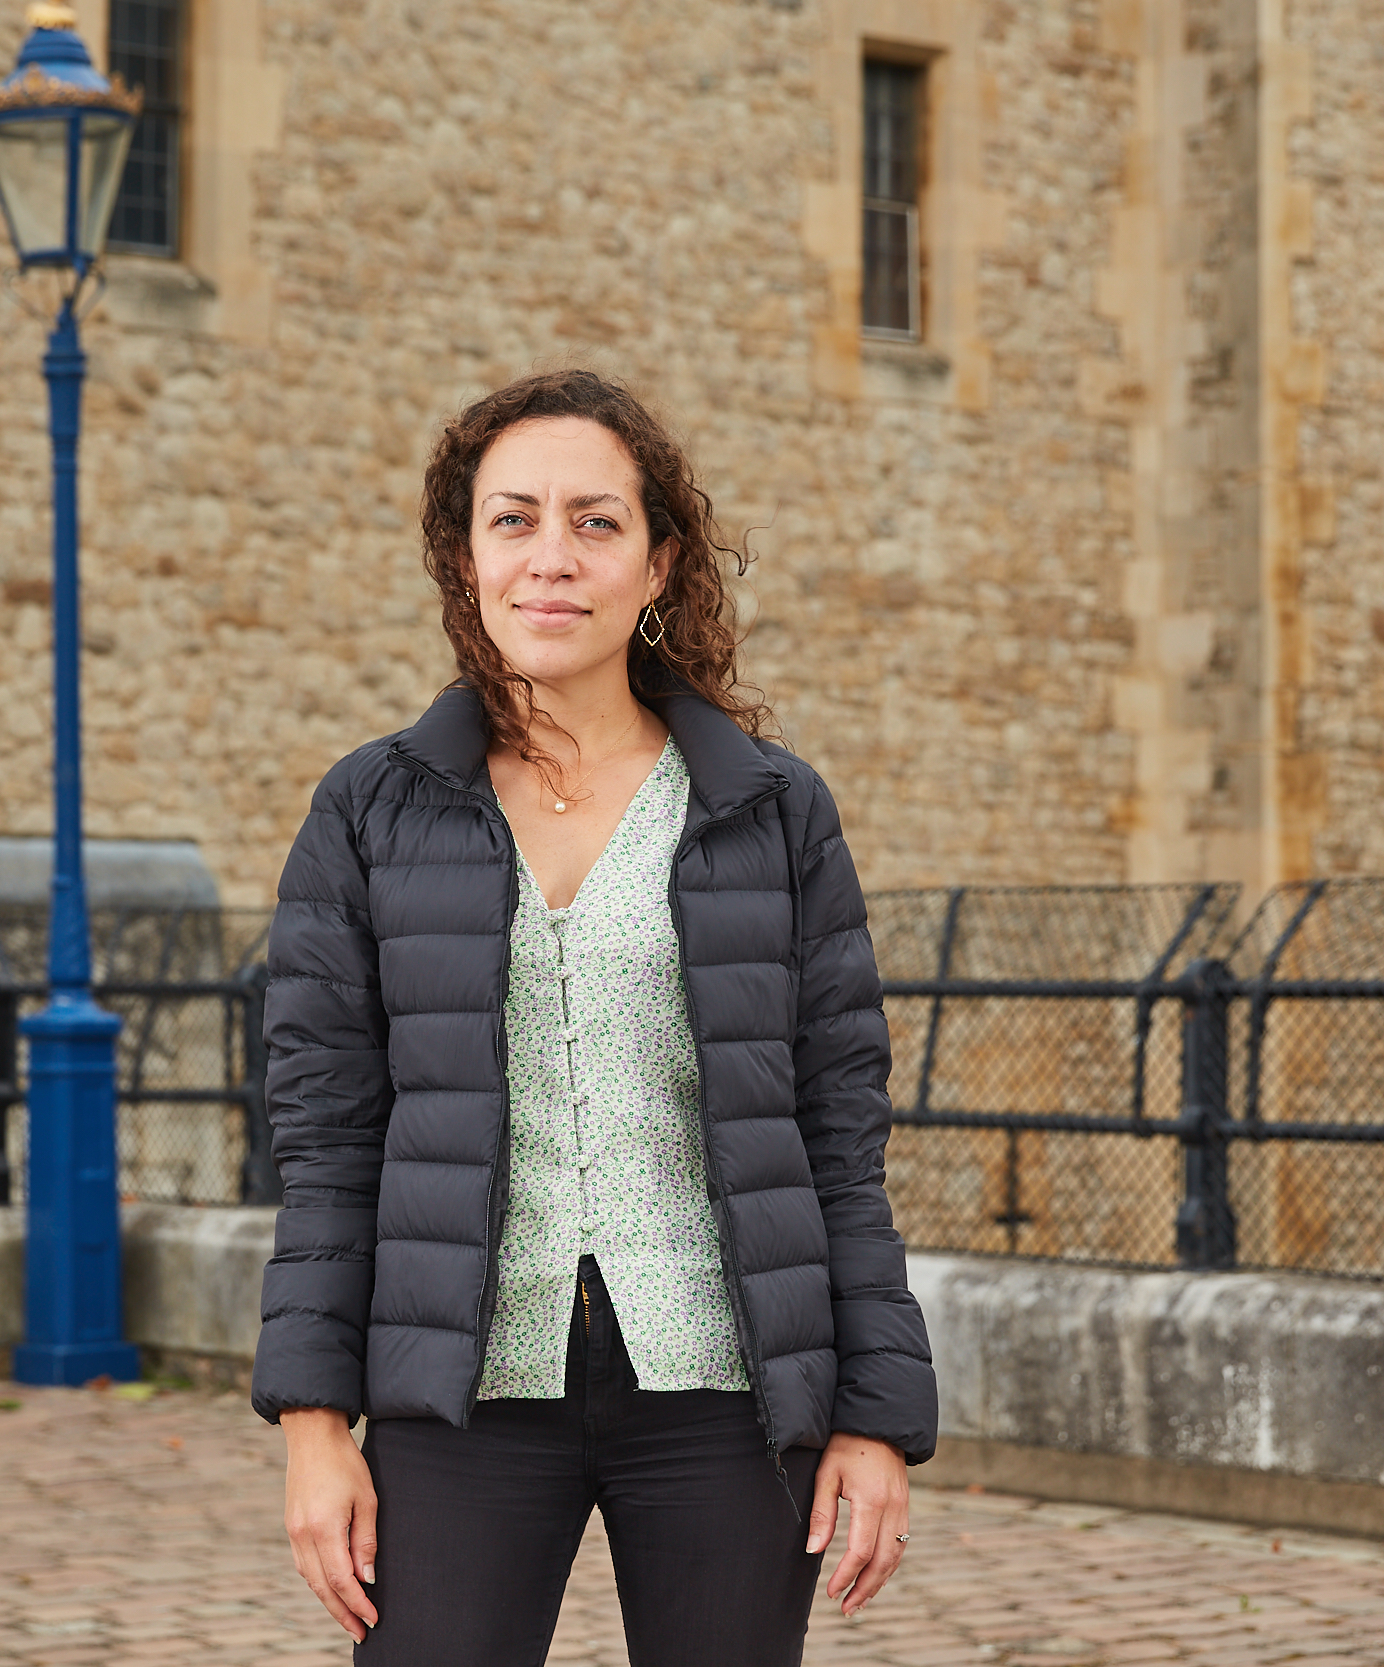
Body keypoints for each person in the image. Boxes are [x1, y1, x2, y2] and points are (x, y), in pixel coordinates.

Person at [251, 367, 938, 1666]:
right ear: (466, 561)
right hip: (458, 1398)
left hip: (726, 1396)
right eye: (513, 521)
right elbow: (329, 1146)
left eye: (596, 522)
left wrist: (871, 1418)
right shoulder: (369, 813)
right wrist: (312, 1428)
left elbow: (837, 1140)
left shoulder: (769, 814)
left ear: (659, 562)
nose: (550, 559)